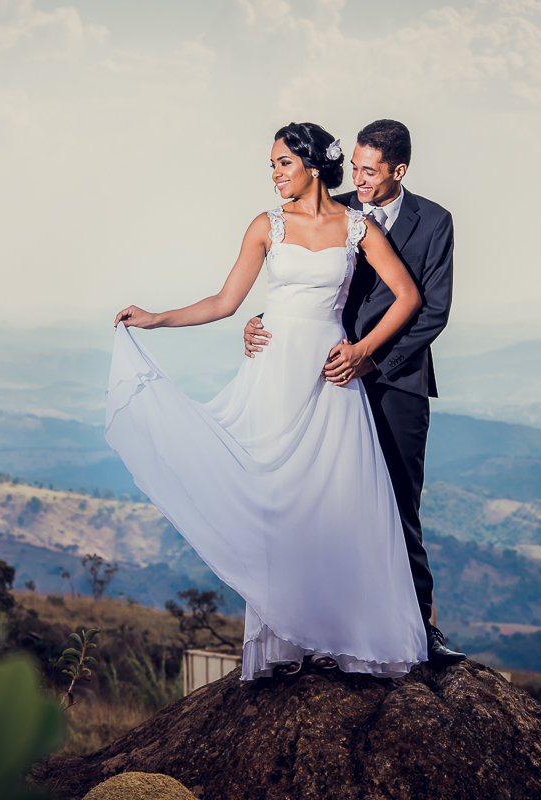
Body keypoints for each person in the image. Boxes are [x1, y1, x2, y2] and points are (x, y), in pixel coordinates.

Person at [106, 122, 428, 679]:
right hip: (275, 375)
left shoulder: (357, 226)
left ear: (310, 165)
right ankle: (286, 637)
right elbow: (227, 302)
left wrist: (362, 350)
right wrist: (156, 317)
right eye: (272, 165)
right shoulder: (265, 225)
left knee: (331, 502)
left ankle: (333, 634)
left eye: (283, 163)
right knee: (277, 500)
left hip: (331, 378)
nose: (275, 174)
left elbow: (409, 296)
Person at [243, 119, 465, 666]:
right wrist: (256, 322)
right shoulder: (338, 211)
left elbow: (430, 308)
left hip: (396, 378)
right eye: (356, 168)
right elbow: (308, 287)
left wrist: (368, 355)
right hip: (325, 376)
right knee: (326, 500)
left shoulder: (434, 221)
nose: (359, 180)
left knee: (397, 504)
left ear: (399, 171)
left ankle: (419, 627)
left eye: (370, 172)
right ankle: (326, 621)